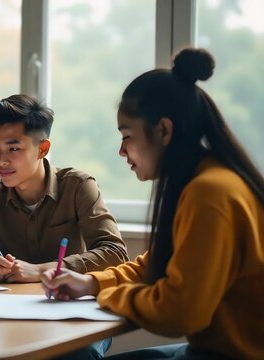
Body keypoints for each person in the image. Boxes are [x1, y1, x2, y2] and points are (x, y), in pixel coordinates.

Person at [41, 48, 264, 360]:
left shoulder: (210, 193)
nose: (122, 151)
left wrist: (108, 295)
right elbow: (160, 261)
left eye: (127, 135)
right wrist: (90, 282)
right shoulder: (208, 177)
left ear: (163, 130)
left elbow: (178, 312)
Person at [0, 94, 129, 283]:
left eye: (13, 149)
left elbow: (115, 252)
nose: (1, 161)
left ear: (42, 149)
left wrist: (42, 271)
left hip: (64, 301)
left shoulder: (78, 187)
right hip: (8, 303)